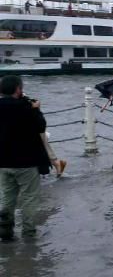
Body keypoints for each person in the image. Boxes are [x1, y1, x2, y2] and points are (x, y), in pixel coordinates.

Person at [0, 75, 49, 240]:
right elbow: (41, 127)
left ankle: (6, 232)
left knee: (7, 196)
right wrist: (37, 110)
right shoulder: (26, 107)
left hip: (3, 161)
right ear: (18, 89)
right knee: (29, 197)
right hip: (26, 161)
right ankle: (28, 232)